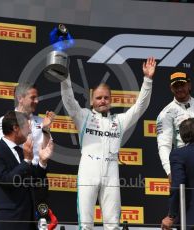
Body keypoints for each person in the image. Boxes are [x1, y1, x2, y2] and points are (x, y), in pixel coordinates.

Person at [61, 57, 157, 229]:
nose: (102, 101)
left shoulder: (119, 121)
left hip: (111, 171)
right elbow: (68, 100)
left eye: (106, 97)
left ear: (111, 100)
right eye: (98, 98)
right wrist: (65, 76)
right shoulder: (83, 116)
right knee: (85, 224)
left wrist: (148, 80)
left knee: (113, 225)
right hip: (88, 170)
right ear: (91, 101)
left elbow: (139, 107)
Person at [0, 111, 53, 230]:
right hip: (8, 221)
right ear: (15, 128)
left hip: (28, 219)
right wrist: (27, 160)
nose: (29, 132)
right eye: (27, 128)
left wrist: (43, 161)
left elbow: (34, 179)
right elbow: (7, 181)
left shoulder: (21, 151)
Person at [0, 83, 55, 165]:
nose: (37, 101)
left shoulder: (42, 121)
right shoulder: (4, 120)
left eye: (37, 97)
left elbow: (47, 150)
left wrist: (45, 128)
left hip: (38, 172)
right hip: (16, 170)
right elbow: (3, 148)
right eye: (32, 98)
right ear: (20, 98)